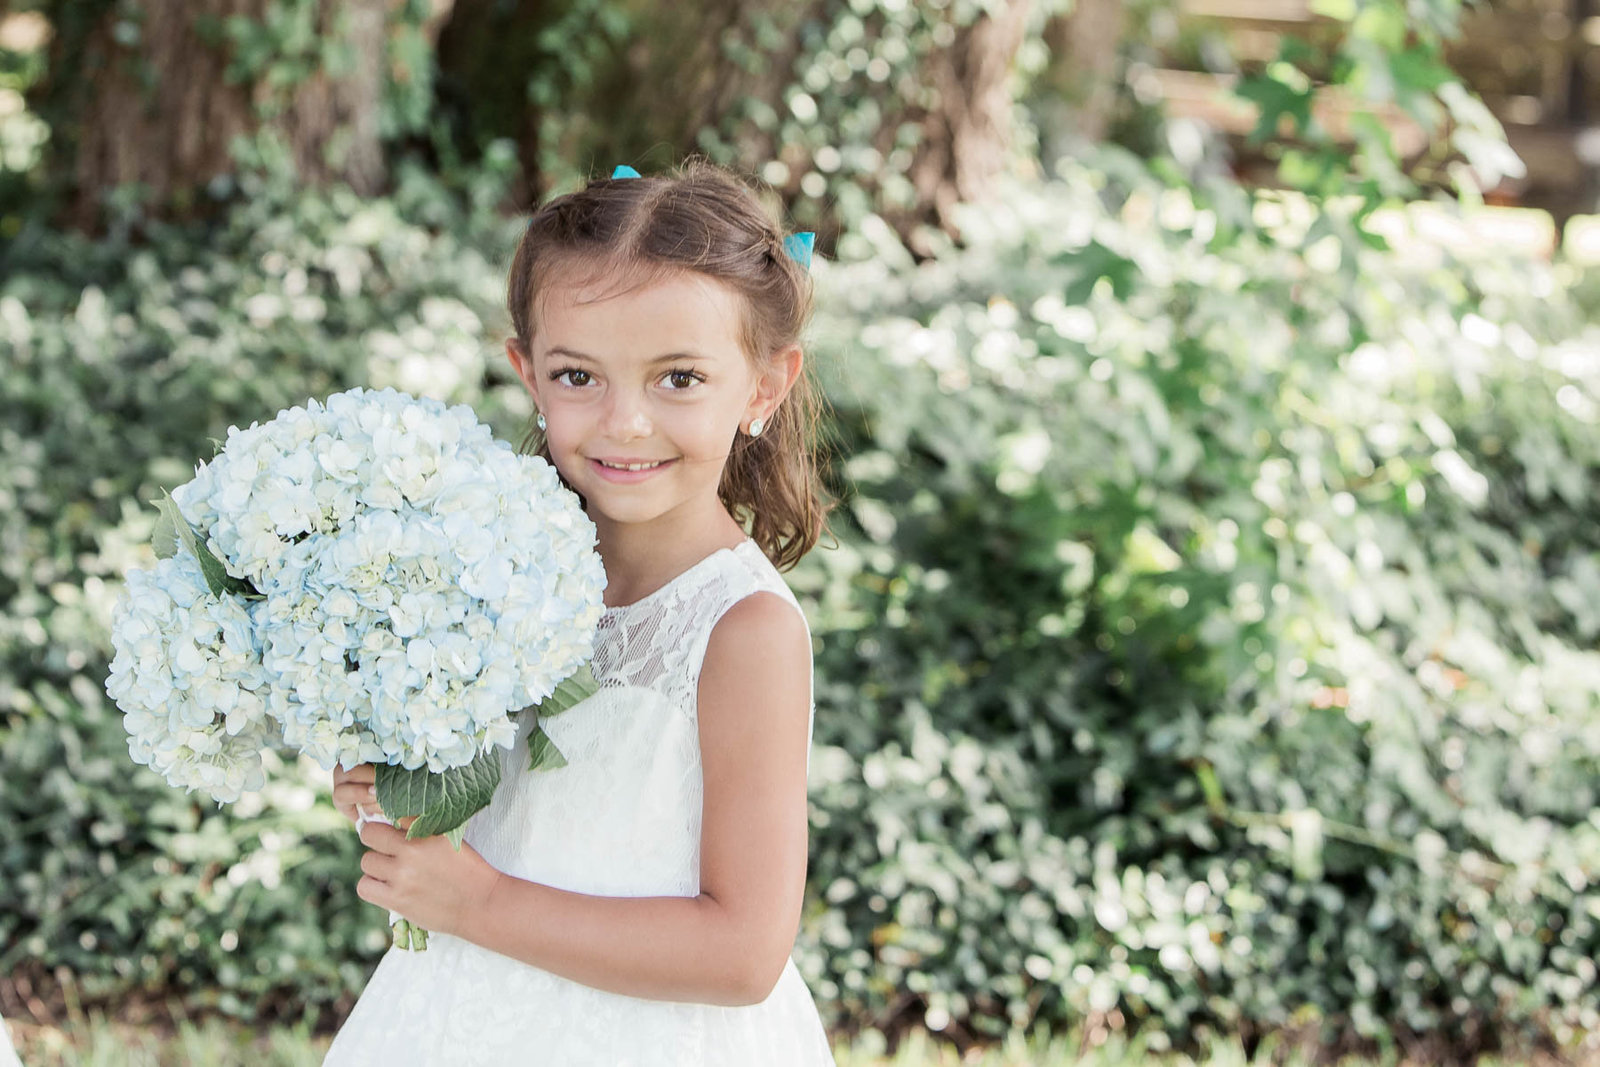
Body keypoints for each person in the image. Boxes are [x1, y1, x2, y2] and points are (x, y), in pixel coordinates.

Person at [321, 160, 836, 1065]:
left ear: (763, 386)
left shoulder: (745, 632)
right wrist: (404, 780)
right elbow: (504, 804)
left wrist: (476, 903)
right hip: (459, 1014)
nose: (625, 422)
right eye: (578, 376)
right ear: (527, 371)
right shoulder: (491, 567)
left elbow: (746, 951)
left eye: (678, 378)